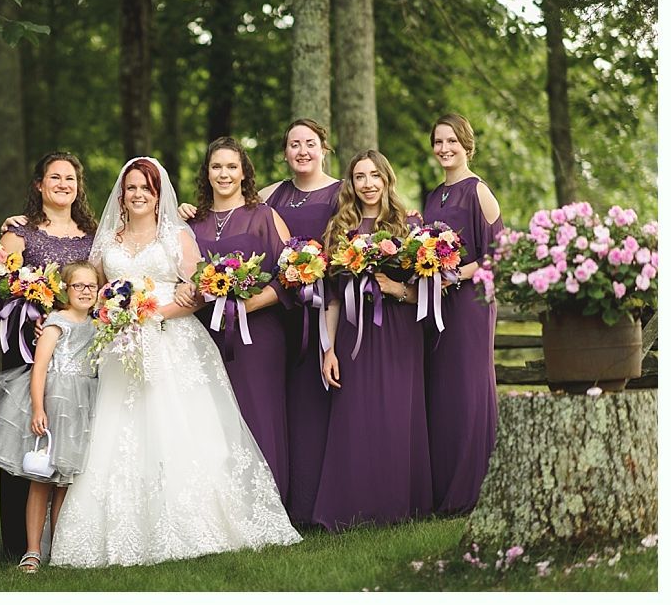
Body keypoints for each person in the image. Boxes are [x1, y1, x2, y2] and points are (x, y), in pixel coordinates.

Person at [50, 157, 300, 568]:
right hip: (120, 347)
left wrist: (154, 311)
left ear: (158, 193)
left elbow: (199, 292)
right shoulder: (108, 240)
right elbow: (93, 289)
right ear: (122, 194)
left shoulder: (176, 236)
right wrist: (112, 311)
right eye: (131, 188)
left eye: (146, 188)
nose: (138, 195)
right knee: (119, 430)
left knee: (179, 427)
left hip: (172, 342)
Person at [314, 150, 432, 530]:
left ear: (387, 179)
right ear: (351, 183)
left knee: (396, 414)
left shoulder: (408, 224)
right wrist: (328, 349)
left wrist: (395, 287)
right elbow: (331, 298)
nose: (367, 184)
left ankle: (397, 507)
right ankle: (352, 508)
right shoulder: (337, 229)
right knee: (356, 416)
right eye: (360, 177)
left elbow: (427, 291)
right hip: (352, 331)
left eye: (374, 176)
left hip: (398, 331)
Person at [0, 152, 97, 558]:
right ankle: (22, 545)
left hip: (80, 353)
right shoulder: (20, 233)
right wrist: (34, 315)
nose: (62, 184)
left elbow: (100, 287)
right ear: (38, 184)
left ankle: (66, 542)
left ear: (78, 186)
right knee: (28, 445)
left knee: (72, 450)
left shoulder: (92, 237)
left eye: (69, 178)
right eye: (54, 177)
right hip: (29, 348)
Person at [0, 261, 101, 574]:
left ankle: (59, 546)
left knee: (65, 481)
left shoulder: (99, 323)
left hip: (84, 402)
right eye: (78, 286)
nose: (85, 292)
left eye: (91, 286)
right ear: (65, 290)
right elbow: (39, 367)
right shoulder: (57, 321)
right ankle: (32, 550)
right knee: (42, 479)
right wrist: (38, 407)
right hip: (55, 400)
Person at [183, 136, 292, 498]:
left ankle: (268, 501)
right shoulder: (191, 224)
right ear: (207, 173)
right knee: (213, 418)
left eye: (232, 166)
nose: (224, 174)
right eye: (217, 166)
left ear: (244, 172)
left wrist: (246, 306)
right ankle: (224, 507)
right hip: (205, 334)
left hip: (257, 336)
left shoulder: (263, 216)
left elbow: (289, 276)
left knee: (258, 413)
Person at [422, 113, 503, 515]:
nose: (444, 148)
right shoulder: (434, 194)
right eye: (438, 142)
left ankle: (476, 488)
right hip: (438, 304)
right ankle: (445, 486)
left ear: (466, 144)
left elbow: (497, 258)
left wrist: (454, 274)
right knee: (444, 391)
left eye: (451, 141)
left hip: (470, 304)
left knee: (470, 389)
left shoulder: (479, 191)